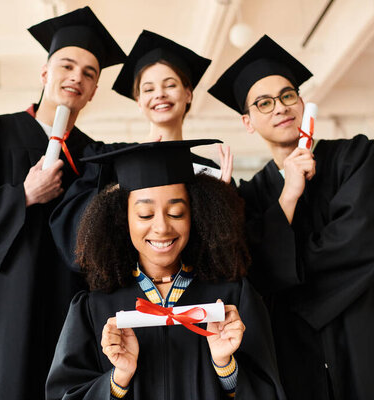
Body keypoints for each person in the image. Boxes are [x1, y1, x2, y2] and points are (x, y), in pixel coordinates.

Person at [208, 35, 374, 400]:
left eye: (287, 95)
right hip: (299, 365)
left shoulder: (356, 159)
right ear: (248, 122)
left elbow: (366, 245)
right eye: (264, 103)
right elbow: (253, 275)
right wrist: (289, 195)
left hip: (368, 344)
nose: (280, 107)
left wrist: (287, 278)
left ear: (302, 101)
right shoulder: (250, 197)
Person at [0, 7, 126, 400]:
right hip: (5, 307)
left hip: (68, 311)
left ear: (94, 90)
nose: (77, 77)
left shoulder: (92, 156)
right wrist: (23, 196)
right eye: (67, 66)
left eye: (89, 73)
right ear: (44, 73)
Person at [46, 140, 286, 400]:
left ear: (195, 214)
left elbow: (269, 392)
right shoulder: (94, 309)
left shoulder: (231, 300)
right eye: (145, 215)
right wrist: (118, 380)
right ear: (122, 219)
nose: (161, 227)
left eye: (176, 212)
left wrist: (224, 365)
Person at [50, 30, 232, 273]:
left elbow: (221, 249)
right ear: (138, 101)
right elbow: (75, 233)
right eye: (148, 89)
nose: (159, 94)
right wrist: (122, 184)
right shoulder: (109, 159)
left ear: (188, 94)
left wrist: (223, 201)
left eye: (170, 85)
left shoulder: (208, 169)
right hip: (125, 292)